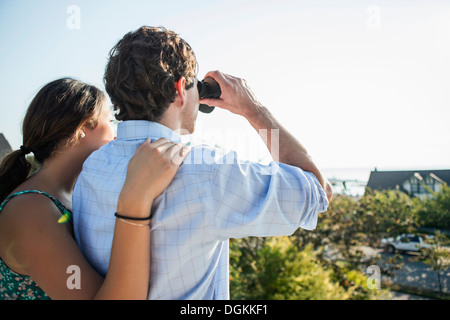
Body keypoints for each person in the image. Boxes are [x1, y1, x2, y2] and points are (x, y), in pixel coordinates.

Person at [74, 26, 333, 300]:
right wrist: (253, 109)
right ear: (180, 90)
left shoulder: (89, 170)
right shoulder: (207, 170)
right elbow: (317, 192)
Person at [0, 78, 190, 300]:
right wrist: (137, 196)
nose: (116, 134)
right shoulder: (30, 212)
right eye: (109, 120)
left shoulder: (68, 198)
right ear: (83, 127)